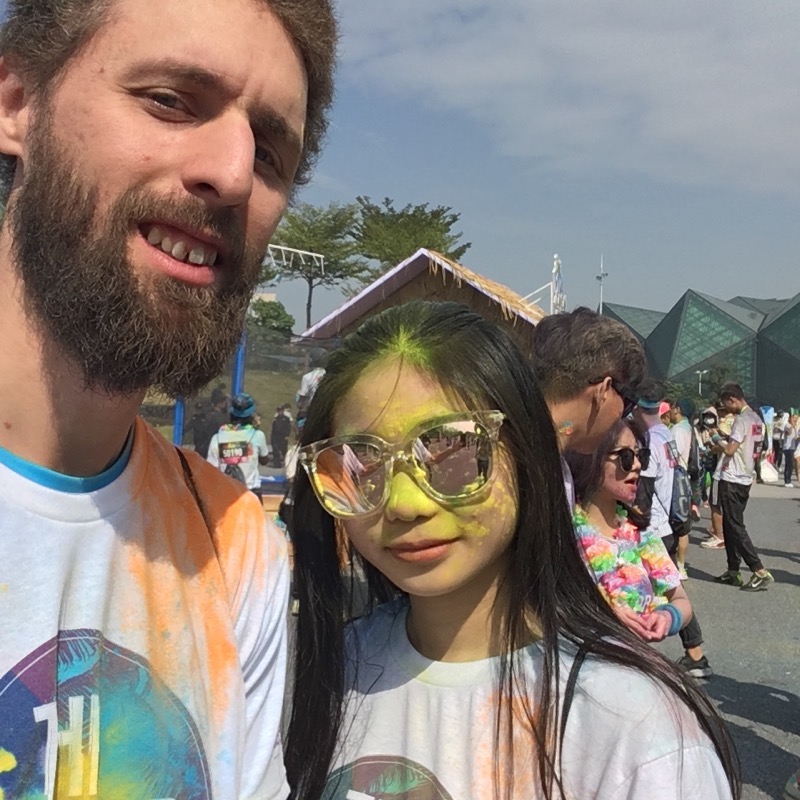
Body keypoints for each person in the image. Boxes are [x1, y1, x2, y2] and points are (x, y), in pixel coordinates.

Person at [0, 0, 336, 795]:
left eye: (271, 154)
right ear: (16, 104)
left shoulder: (236, 551)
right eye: (171, 101)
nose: (231, 172)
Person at [286, 300, 738, 800]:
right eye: (358, 464)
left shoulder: (633, 727)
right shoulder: (339, 662)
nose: (404, 504)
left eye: (453, 451)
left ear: (524, 454)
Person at [567, 418, 693, 643]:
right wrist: (600, 617)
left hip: (635, 666)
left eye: (640, 455)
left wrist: (667, 617)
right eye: (625, 456)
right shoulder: (564, 533)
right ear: (591, 459)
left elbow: (681, 601)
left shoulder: (641, 533)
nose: (637, 465)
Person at [530, 306, 647, 510]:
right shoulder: (514, 467)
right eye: (627, 404)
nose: (621, 419)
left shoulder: (553, 465)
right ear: (604, 390)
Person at [634, 380, 714, 679]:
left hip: (652, 525)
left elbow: (644, 486)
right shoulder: (664, 434)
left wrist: (633, 520)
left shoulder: (649, 441)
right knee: (668, 589)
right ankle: (695, 653)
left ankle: (694, 654)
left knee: (641, 588)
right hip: (666, 521)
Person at [712, 383, 774, 591]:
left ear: (732, 399)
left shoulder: (741, 420)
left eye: (725, 403)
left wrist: (716, 439)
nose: (726, 408)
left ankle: (759, 570)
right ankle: (733, 570)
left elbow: (730, 450)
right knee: (731, 525)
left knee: (736, 526)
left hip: (732, 477)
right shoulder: (757, 419)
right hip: (745, 477)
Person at [208, 392, 270, 499]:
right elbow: (264, 460)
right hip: (251, 493)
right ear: (251, 415)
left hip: (227, 494)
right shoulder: (257, 435)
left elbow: (212, 469)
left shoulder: (217, 438)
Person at [191, 385, 229, 459]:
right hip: (215, 452)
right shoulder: (221, 419)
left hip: (202, 451)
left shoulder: (206, 416)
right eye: (225, 402)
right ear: (220, 403)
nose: (226, 404)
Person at [295, 346, 327, 430]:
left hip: (314, 413)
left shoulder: (307, 377)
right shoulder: (331, 375)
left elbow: (302, 402)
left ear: (311, 360)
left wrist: (299, 407)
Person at [271, 403, 293, 467]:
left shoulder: (286, 418)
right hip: (275, 436)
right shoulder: (275, 419)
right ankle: (277, 464)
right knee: (276, 450)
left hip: (283, 436)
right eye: (278, 410)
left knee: (283, 450)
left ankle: (286, 462)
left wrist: (287, 435)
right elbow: (273, 428)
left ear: (283, 410)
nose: (279, 411)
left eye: (281, 410)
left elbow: (288, 428)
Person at [782, 413, 797, 488]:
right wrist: (792, 426)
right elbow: (789, 433)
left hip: (792, 447)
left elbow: (795, 437)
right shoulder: (787, 425)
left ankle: (789, 479)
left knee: (791, 465)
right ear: (790, 419)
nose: (795, 420)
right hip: (787, 448)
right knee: (789, 464)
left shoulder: (795, 427)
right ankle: (787, 481)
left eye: (796, 418)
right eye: (794, 418)